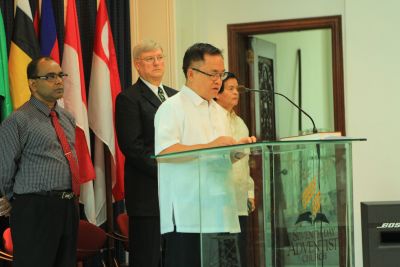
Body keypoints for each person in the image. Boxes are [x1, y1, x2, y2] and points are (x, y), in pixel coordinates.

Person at [154, 43, 256, 267]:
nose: (218, 81)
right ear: (191, 73)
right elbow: (164, 152)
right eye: (212, 74)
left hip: (220, 210)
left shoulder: (219, 113)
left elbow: (215, 157)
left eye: (221, 74)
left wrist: (234, 152)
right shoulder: (172, 108)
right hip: (188, 214)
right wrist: (211, 146)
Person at [0, 56, 79, 267]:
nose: (59, 81)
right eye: (50, 76)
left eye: (60, 75)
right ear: (32, 83)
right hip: (35, 208)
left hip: (68, 205)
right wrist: (13, 199)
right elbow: (4, 168)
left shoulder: (67, 118)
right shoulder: (18, 120)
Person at [115, 40, 177, 267]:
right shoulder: (129, 98)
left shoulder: (175, 96)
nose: (157, 63)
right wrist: (167, 169)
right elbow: (132, 147)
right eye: (150, 59)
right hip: (147, 195)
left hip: (177, 195)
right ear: (137, 65)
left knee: (175, 257)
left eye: (160, 57)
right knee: (148, 259)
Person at [215, 72, 256, 267]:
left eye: (236, 89)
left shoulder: (240, 123)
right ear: (217, 93)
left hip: (239, 198)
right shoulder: (211, 118)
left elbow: (244, 163)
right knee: (222, 254)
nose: (235, 93)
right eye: (230, 89)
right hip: (219, 200)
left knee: (240, 253)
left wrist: (250, 192)